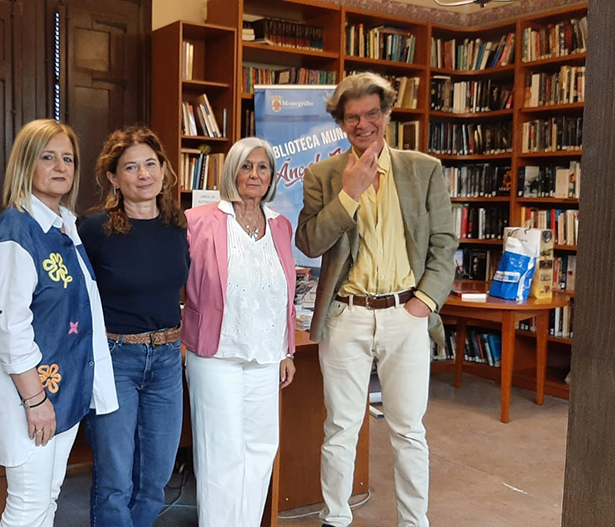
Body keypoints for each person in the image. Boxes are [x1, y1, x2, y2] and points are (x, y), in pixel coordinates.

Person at [295, 72, 457, 527]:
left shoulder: (423, 169)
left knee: (408, 429)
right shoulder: (323, 175)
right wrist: (349, 194)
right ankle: (337, 518)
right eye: (352, 118)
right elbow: (309, 241)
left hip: (406, 313)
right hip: (346, 315)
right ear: (341, 123)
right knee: (341, 426)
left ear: (387, 114)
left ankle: (414, 521)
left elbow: (445, 244)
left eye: (371, 114)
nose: (362, 124)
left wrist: (424, 302)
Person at [0, 119, 118, 527]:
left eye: (68, 158)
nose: (60, 166)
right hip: (32, 397)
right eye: (48, 157)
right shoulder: (16, 231)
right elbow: (8, 328)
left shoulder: (65, 226)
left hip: (63, 391)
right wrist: (35, 401)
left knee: (47, 500)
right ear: (26, 163)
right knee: (26, 505)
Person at [183, 137, 297, 527]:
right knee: (222, 455)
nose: (254, 174)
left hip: (266, 357)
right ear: (231, 171)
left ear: (272, 176)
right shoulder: (198, 221)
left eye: (262, 167)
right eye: (246, 166)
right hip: (217, 355)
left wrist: (287, 350)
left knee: (261, 450)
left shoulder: (281, 225)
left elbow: (286, 294)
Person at [78, 126, 189, 527]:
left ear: (163, 169)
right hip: (114, 359)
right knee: (114, 481)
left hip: (165, 361)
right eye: (130, 167)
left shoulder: (177, 226)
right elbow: (75, 296)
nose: (143, 174)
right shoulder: (93, 229)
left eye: (150, 164)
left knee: (155, 478)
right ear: (113, 178)